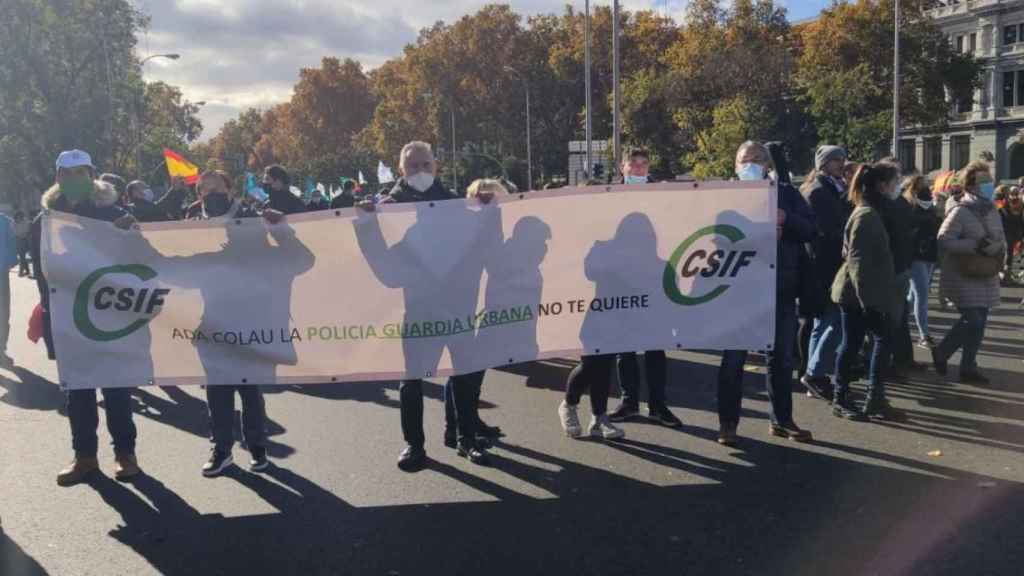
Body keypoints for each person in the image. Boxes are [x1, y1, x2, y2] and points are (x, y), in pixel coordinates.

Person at [356, 141, 492, 470]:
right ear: (401, 169)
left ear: (436, 166)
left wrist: (489, 211)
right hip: (419, 307)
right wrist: (366, 224)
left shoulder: (456, 203)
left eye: (425, 165)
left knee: (464, 375)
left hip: (457, 304)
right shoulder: (389, 208)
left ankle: (466, 438)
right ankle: (414, 445)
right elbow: (386, 267)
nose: (420, 172)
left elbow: (480, 242)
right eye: (412, 166)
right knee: (412, 381)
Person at [31, 150, 141, 485]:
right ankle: (85, 457)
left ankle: (125, 455)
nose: (75, 179)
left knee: (117, 389)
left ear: (92, 174)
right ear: (58, 177)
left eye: (81, 172)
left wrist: (127, 233)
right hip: (68, 318)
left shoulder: (114, 213)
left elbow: (141, 254)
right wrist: (49, 312)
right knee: (78, 393)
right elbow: (41, 270)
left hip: (111, 316)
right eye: (68, 173)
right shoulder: (46, 220)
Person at [716, 141, 815, 445]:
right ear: (735, 166)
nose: (752, 163)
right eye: (745, 159)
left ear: (768, 164)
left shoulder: (785, 194)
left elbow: (812, 229)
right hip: (739, 293)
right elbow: (712, 236)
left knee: (782, 360)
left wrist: (788, 220)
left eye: (758, 159)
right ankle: (728, 424)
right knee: (733, 361)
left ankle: (782, 420)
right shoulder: (722, 197)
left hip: (779, 290)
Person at [608, 147, 683, 428]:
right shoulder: (605, 197)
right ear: (622, 167)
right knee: (624, 347)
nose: (639, 169)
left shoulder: (663, 197)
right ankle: (629, 402)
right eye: (633, 164)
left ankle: (658, 405)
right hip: (620, 281)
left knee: (655, 347)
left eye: (643, 164)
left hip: (653, 279)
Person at [442, 179, 510, 453]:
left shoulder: (496, 222)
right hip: (465, 303)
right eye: (485, 200)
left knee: (473, 369)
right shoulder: (466, 224)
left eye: (495, 201)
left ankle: (467, 421)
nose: (492, 205)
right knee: (463, 371)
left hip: (487, 303)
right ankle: (457, 428)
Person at [830, 160, 901, 421]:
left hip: (863, 293)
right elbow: (857, 262)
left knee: (861, 342)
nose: (897, 187)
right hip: (858, 295)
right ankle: (845, 397)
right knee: (855, 344)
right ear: (882, 186)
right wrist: (869, 302)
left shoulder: (871, 211)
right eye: (895, 182)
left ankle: (872, 397)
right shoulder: (866, 214)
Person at [932, 161, 1006, 384]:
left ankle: (968, 367)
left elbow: (1000, 236)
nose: (988, 185)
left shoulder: (992, 209)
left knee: (979, 322)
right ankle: (942, 352)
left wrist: (996, 247)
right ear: (971, 185)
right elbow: (944, 239)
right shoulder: (960, 210)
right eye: (983, 182)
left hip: (986, 271)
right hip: (964, 272)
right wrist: (974, 245)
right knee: (973, 319)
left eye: (989, 181)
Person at [800, 145, 850, 400]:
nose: (842, 163)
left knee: (822, 322)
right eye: (836, 160)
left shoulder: (832, 187)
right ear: (824, 164)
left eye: (842, 158)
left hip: (827, 264)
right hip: (826, 265)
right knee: (835, 321)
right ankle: (815, 373)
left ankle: (813, 372)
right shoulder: (818, 191)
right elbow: (826, 231)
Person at [878, 163, 918, 374]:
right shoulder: (878, 207)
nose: (899, 184)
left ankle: (903, 358)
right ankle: (888, 365)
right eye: (896, 180)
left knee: (900, 318)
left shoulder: (898, 202)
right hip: (889, 269)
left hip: (901, 265)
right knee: (889, 321)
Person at [905, 175, 941, 349]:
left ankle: (898, 323)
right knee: (922, 294)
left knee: (913, 296)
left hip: (930, 255)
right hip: (916, 256)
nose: (927, 188)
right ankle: (923, 334)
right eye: (923, 186)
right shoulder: (910, 207)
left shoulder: (931, 207)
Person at [999, 186, 1023, 284]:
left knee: (1010, 255)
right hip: (1008, 233)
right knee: (1008, 255)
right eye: (1013, 194)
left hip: (1015, 232)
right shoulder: (1004, 206)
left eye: (1016, 194)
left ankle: (1007, 275)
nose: (1014, 197)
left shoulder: (1006, 205)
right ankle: (1006, 275)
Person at [0, 209, 15, 366]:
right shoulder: (4, 221)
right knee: (3, 312)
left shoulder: (4, 221)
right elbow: (12, 246)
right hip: (1, 274)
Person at [14, 211, 31, 278]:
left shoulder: (26, 222)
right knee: (22, 256)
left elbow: (27, 230)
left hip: (25, 240)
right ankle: (26, 270)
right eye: (17, 217)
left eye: (20, 217)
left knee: (22, 257)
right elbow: (14, 231)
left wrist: (23, 234)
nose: (19, 218)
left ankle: (22, 271)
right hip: (18, 240)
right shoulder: (14, 223)